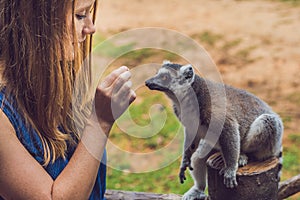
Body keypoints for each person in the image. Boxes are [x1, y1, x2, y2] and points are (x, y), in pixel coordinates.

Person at [0, 0, 136, 199]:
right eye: (80, 16)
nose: (91, 28)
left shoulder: (51, 81)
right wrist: (99, 122)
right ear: (34, 20)